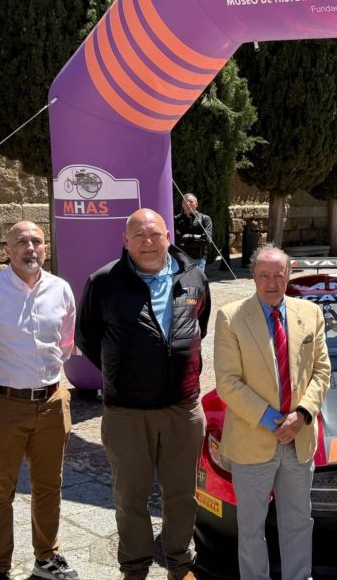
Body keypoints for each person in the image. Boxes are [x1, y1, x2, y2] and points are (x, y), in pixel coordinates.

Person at [76, 209, 210, 580]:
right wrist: (122, 371)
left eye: (155, 234)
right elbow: (87, 337)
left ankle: (179, 564)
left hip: (182, 408)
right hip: (127, 412)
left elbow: (199, 326)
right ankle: (134, 568)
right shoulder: (104, 281)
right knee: (130, 496)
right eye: (138, 235)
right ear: (125, 241)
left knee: (182, 493)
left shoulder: (194, 277)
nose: (148, 242)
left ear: (168, 236)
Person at [0, 221, 79, 580]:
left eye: (37, 241)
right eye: (21, 242)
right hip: (3, 404)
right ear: (7, 250)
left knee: (49, 486)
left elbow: (65, 342)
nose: (30, 248)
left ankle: (47, 558)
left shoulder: (61, 289)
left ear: (46, 248)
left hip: (52, 402)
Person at [213, 244, 331, 580]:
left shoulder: (311, 313)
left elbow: (322, 371)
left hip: (299, 438)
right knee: (251, 527)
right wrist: (273, 422)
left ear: (289, 274)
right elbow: (228, 382)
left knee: (298, 522)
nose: (272, 282)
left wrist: (302, 415)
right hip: (253, 440)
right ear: (253, 275)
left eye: (279, 275)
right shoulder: (231, 317)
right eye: (264, 275)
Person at [174, 193, 213, 272]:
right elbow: (176, 240)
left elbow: (207, 239)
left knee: (197, 280)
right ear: (182, 204)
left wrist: (187, 237)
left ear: (196, 204)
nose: (188, 204)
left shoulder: (205, 219)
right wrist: (198, 237)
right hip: (181, 259)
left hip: (198, 259)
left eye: (191, 201)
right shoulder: (176, 219)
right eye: (185, 202)